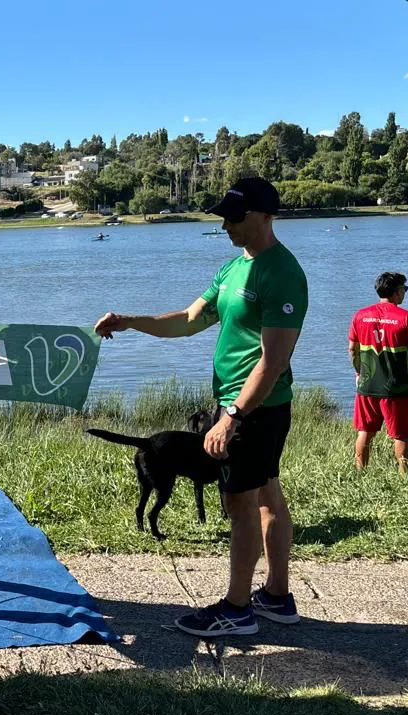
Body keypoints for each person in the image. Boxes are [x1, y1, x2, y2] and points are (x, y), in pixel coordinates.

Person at [95, 176, 308, 637]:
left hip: (255, 408)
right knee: (268, 497)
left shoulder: (282, 274)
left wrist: (231, 417)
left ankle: (237, 609)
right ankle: (276, 596)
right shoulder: (233, 270)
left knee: (240, 503)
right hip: (240, 405)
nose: (226, 224)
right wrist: (130, 321)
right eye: (223, 216)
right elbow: (189, 320)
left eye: (234, 216)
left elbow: (273, 362)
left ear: (264, 216)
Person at [349, 272, 408, 472]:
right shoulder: (407, 317)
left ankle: (360, 472)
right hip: (397, 388)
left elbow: (352, 350)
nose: (405, 293)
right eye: (404, 289)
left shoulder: (360, 315)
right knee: (401, 435)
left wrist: (359, 374)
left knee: (365, 431)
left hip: (367, 385)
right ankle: (404, 476)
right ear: (397, 291)